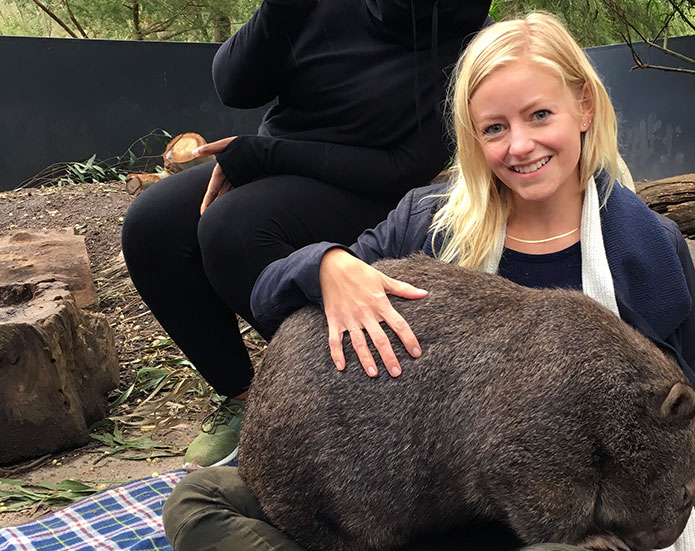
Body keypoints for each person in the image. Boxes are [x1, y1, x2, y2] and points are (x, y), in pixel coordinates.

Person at [163, 11, 695, 551]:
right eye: (495, 128)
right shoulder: (428, 225)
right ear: (471, 135)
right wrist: (323, 264)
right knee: (197, 505)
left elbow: (694, 435)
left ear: (584, 107)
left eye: (540, 115)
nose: (521, 146)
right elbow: (271, 301)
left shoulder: (646, 250)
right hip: (406, 511)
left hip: (553, 539)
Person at [121, 0, 491, 468]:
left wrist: (266, 155)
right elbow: (234, 86)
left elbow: (404, 167)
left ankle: (340, 396)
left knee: (234, 229)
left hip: (376, 191)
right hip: (281, 159)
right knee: (153, 224)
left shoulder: (471, 36)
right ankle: (249, 400)